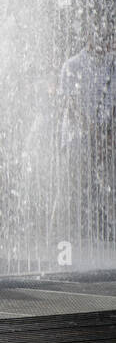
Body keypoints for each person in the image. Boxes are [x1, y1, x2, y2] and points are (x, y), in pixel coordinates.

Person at [58, 17, 116, 240]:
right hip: (77, 138)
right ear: (89, 38)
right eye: (101, 36)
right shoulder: (72, 66)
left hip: (103, 137)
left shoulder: (113, 67)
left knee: (110, 180)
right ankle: (61, 236)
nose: (105, 40)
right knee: (72, 188)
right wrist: (97, 137)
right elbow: (72, 109)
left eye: (108, 36)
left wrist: (108, 138)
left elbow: (113, 109)